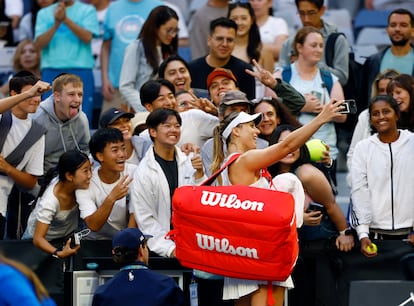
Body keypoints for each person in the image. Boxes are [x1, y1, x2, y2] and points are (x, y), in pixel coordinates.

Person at [210, 66, 344, 304]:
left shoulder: (230, 163)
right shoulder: (245, 160)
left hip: (247, 250)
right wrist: (322, 118)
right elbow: (285, 146)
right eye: (251, 125)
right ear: (236, 132)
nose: (256, 130)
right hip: (259, 251)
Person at [130, 108, 206, 257]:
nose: (174, 130)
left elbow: (200, 202)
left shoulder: (189, 160)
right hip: (161, 249)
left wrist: (200, 175)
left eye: (177, 126)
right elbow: (146, 220)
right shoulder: (143, 173)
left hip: (192, 244)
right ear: (153, 132)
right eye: (167, 125)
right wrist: (170, 249)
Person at [275, 26, 347, 183]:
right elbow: (272, 111)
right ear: (299, 47)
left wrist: (320, 109)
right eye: (313, 45)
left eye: (321, 46)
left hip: (324, 152)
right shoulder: (283, 75)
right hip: (289, 152)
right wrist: (301, 105)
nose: (319, 50)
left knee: (323, 204)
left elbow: (342, 115)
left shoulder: (330, 79)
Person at [350, 95, 414, 258]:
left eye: (386, 111)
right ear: (370, 119)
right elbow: (359, 190)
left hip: (409, 234)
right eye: (376, 113)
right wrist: (363, 234)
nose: (381, 117)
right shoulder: (362, 148)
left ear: (397, 115)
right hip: (374, 236)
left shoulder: (412, 142)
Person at [0, 73, 50, 239]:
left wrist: (8, 169)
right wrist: (29, 92)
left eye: (39, 95)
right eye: (33, 94)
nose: (36, 99)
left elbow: (31, 181)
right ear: (14, 94)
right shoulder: (3, 116)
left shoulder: (37, 133)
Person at [34, 0, 99, 124]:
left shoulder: (87, 10)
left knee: (82, 115)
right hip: (51, 70)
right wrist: (57, 23)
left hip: (80, 69)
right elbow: (39, 43)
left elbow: (87, 37)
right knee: (47, 115)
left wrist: (66, 20)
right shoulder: (44, 12)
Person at [23, 150, 92, 259]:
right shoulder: (49, 201)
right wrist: (58, 253)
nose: (90, 175)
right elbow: (38, 239)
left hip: (66, 236)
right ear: (69, 176)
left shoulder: (78, 185)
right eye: (85, 171)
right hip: (42, 242)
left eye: (90, 170)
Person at [92, 227, 187, 306]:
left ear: (114, 254)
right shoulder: (167, 286)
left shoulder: (102, 293)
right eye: (146, 246)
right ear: (141, 250)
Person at [99, 0, 162, 116]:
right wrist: (105, 78)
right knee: (109, 131)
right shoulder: (113, 8)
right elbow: (105, 46)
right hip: (116, 86)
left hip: (150, 89)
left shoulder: (158, 6)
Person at [76, 128, 137, 240]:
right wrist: (112, 198)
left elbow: (136, 213)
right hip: (95, 242)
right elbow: (93, 225)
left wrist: (127, 242)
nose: (122, 154)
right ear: (100, 156)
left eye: (123, 148)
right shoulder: (87, 182)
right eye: (115, 150)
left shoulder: (134, 173)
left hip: (126, 238)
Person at [119, 5, 179, 112]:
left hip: (166, 111)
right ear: (155, 28)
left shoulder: (169, 51)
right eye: (169, 30)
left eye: (175, 30)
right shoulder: (136, 48)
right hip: (142, 111)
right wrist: (147, 108)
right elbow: (126, 86)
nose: (173, 35)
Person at [279, 0, 349, 86]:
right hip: (294, 96)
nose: (306, 19)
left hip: (328, 96)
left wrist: (312, 64)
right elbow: (280, 78)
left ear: (322, 10)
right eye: (301, 13)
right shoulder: (289, 43)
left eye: (311, 13)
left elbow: (342, 78)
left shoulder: (337, 40)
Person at [32, 73, 90, 177]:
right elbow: (29, 161)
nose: (77, 100)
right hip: (42, 179)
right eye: (71, 94)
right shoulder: (37, 118)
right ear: (57, 96)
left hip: (72, 177)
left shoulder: (82, 119)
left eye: (80, 95)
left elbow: (85, 150)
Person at [346, 69, 399, 180]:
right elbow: (353, 153)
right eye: (381, 90)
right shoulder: (365, 116)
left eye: (389, 90)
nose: (385, 94)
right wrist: (357, 182)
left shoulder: (407, 119)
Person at [188, 17, 256, 100]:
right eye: (219, 39)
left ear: (235, 43)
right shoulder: (191, 69)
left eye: (230, 40)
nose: (224, 44)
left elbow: (250, 107)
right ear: (209, 40)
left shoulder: (245, 71)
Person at [139, 78, 219, 148]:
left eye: (171, 97)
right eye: (161, 99)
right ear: (149, 106)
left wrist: (215, 112)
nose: (169, 102)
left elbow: (227, 128)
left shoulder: (193, 117)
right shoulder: (145, 137)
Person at [361, 9, 414, 103]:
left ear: (413, 30)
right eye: (393, 25)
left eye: (403, 25)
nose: (397, 29)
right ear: (387, 30)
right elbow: (363, 97)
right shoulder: (373, 61)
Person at [227, 1, 274, 97]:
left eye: (244, 18)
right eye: (234, 19)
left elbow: (271, 86)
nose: (239, 23)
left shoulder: (264, 50)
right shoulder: (224, 50)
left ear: (252, 19)